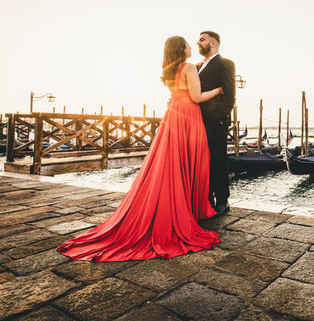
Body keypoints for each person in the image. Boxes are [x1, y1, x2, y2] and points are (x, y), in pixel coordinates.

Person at [57, 36, 222, 261]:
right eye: (187, 45)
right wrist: (219, 90)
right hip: (188, 118)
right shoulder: (188, 68)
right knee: (194, 160)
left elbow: (182, 88)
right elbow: (196, 96)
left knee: (170, 163)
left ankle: (178, 207)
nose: (191, 47)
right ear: (181, 49)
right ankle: (191, 211)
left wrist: (199, 67)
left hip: (172, 117)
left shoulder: (172, 71)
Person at [196, 31, 235, 216]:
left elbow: (230, 94)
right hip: (197, 122)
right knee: (203, 161)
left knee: (218, 159)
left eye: (202, 39)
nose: (198, 42)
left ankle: (222, 199)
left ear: (212, 43)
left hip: (216, 122)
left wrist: (220, 117)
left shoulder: (225, 64)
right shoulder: (198, 67)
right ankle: (207, 197)